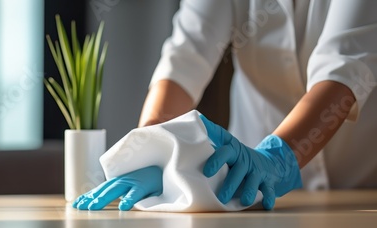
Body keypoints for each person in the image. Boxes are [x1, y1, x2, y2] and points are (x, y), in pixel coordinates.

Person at [73, 0, 377, 211]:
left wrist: (276, 158)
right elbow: (184, 61)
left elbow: (343, 72)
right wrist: (153, 146)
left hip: (362, 192)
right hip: (246, 192)